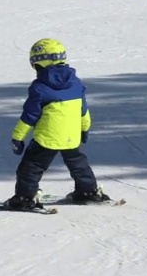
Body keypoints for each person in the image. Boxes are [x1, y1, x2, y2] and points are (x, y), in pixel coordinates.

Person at [7, 39, 110, 210]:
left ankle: (25, 196)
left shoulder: (39, 87)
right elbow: (83, 110)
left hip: (46, 138)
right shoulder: (76, 83)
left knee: (31, 167)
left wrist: (18, 137)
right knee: (78, 164)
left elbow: (30, 116)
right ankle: (88, 191)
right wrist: (84, 128)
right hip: (71, 135)